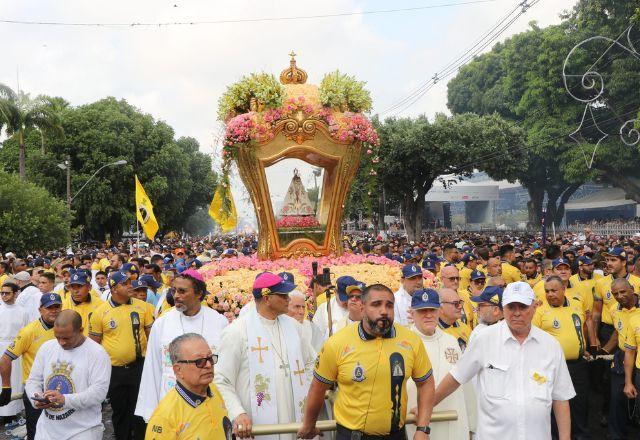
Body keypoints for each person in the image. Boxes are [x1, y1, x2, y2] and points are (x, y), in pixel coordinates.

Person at [434, 281, 575, 440]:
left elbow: (561, 398)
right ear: (503, 308)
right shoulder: (484, 339)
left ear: (534, 307)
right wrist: (427, 406)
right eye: (511, 307)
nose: (516, 313)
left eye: (522, 307)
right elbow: (456, 376)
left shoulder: (550, 346)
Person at [298, 283, 435, 440]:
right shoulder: (337, 343)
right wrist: (309, 425)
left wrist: (423, 428)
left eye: (389, 305)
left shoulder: (411, 341)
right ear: (362, 308)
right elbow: (318, 387)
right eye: (376, 304)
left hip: (396, 435)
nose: (384, 311)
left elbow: (426, 383)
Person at [215, 272, 314, 440]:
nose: (288, 299)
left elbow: (311, 362)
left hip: (294, 417)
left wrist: (307, 395)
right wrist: (238, 413)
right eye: (283, 295)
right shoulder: (237, 332)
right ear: (267, 298)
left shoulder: (295, 327)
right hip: (256, 424)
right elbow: (222, 379)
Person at [135, 269, 228, 423]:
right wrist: (151, 412)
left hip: (210, 402)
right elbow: (153, 368)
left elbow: (225, 368)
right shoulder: (162, 323)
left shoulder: (219, 322)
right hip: (172, 403)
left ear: (199, 294)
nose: (175, 296)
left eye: (182, 291)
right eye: (174, 290)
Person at [25, 310, 111, 440]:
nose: (61, 342)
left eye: (66, 338)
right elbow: (33, 380)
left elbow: (98, 393)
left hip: (82, 431)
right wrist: (36, 398)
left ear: (81, 330)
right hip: (47, 430)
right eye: (57, 337)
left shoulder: (97, 353)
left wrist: (65, 400)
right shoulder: (47, 348)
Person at [89, 270, 153, 440]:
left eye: (129, 282)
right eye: (124, 284)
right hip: (114, 370)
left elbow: (150, 335)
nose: (130, 286)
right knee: (119, 409)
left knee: (140, 408)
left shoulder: (143, 307)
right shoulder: (100, 312)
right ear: (114, 288)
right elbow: (94, 345)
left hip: (139, 367)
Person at [406, 288, 471, 440]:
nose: (428, 315)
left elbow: (464, 384)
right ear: (412, 313)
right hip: (415, 423)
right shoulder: (404, 342)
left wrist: (471, 425)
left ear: (439, 311)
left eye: (432, 310)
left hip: (451, 421)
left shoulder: (451, 341)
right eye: (422, 311)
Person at [533, 276, 589, 439]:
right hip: (553, 368)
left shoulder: (576, 306)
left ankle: (581, 436)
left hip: (577, 366)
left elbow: (582, 327)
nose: (550, 294)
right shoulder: (539, 311)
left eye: (554, 290)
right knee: (556, 406)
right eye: (547, 291)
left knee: (580, 404)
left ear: (564, 289)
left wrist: (582, 347)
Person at [146, 333, 232, 440]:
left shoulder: (213, 389)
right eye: (199, 362)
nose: (209, 365)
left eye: (210, 358)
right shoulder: (165, 417)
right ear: (178, 370)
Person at [0, 293, 62, 440]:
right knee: (36, 431)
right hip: (36, 390)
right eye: (49, 308)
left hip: (61, 387)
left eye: (57, 307)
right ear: (40, 310)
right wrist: (7, 387)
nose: (53, 310)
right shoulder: (29, 331)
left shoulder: (66, 328)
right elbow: (5, 358)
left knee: (60, 431)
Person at [605, 278, 640, 440]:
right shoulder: (614, 309)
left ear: (632, 289)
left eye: (623, 291)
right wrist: (605, 349)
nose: (619, 296)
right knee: (617, 398)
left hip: (639, 359)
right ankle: (616, 435)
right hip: (622, 356)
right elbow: (617, 333)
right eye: (615, 294)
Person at [0, 282, 29, 422]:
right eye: (2, 293)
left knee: (15, 380)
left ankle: (12, 412)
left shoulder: (23, 311)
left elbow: (26, 331)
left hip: (16, 349)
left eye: (7, 293)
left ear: (15, 293)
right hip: (0, 345)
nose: (4, 296)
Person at [62, 271, 104, 336]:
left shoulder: (100, 305)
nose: (76, 291)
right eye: (73, 287)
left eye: (79, 286)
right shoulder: (63, 306)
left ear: (89, 287)